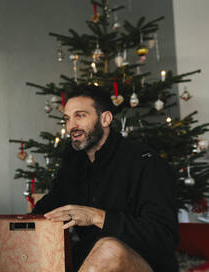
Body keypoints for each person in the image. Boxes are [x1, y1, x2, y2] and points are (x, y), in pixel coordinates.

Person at [32, 84, 179, 272]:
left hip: (147, 264)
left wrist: (96, 217)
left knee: (109, 249)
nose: (71, 126)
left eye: (80, 115)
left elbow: (163, 235)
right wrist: (14, 232)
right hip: (89, 260)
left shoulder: (144, 161)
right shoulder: (73, 163)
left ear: (105, 118)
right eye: (67, 119)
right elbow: (47, 209)